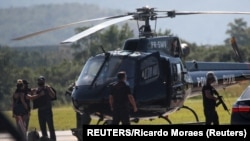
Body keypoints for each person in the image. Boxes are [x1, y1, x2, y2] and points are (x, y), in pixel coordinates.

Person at [32, 76, 56, 141]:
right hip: (40, 110)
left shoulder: (47, 88)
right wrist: (36, 92)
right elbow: (33, 98)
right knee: (42, 126)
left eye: (42, 81)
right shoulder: (37, 90)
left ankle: (53, 138)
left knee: (50, 125)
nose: (40, 82)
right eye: (39, 81)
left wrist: (49, 89)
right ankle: (45, 138)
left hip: (47, 109)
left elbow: (53, 95)